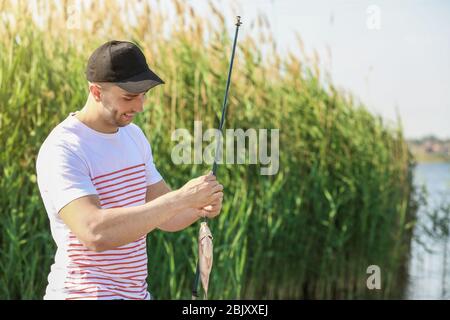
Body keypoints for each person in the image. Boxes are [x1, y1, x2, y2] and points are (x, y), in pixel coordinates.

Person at [35, 40, 223, 300]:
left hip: (136, 294)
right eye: (129, 97)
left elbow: (166, 216)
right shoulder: (64, 147)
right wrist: (180, 198)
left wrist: (199, 205)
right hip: (83, 294)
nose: (139, 106)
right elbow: (94, 232)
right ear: (96, 91)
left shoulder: (134, 136)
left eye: (144, 95)